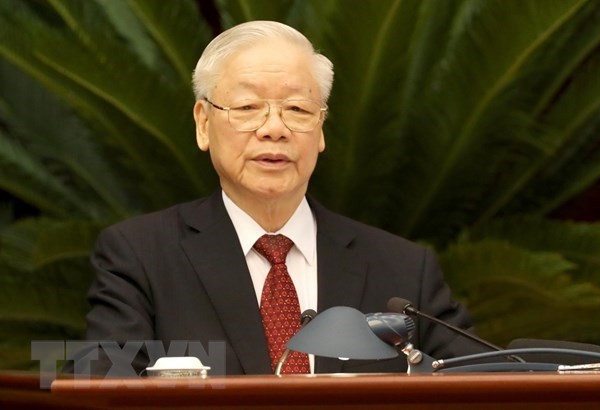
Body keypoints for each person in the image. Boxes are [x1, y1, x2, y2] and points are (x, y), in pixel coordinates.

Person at [65, 20, 488, 377]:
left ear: (320, 130)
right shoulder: (139, 257)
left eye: (298, 110)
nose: (274, 129)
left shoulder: (402, 270)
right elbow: (102, 385)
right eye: (248, 107)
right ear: (203, 123)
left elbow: (481, 385)